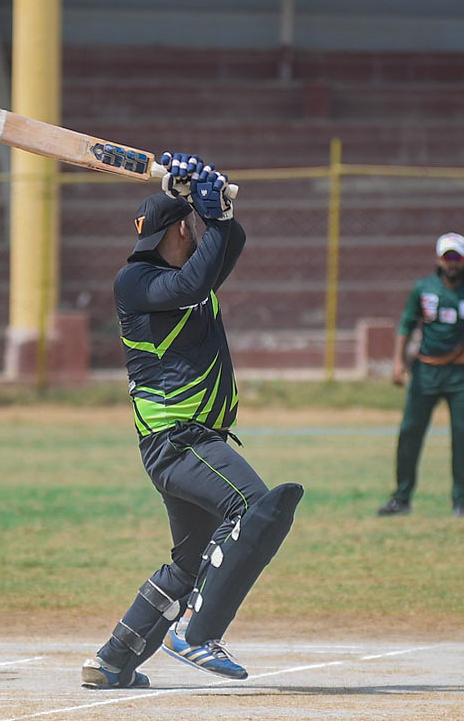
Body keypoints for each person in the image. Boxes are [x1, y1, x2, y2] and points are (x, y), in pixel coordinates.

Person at [81, 154, 303, 689]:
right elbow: (193, 283)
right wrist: (212, 218)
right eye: (192, 225)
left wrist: (218, 211)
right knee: (254, 506)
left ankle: (113, 660)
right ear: (181, 230)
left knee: (191, 562)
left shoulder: (183, 278)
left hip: (187, 443)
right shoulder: (136, 281)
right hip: (179, 440)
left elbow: (227, 249)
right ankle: (197, 634)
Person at [377, 233, 464, 518]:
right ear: (438, 259)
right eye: (448, 257)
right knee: (410, 432)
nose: (452, 263)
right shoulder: (424, 288)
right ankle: (401, 498)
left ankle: (462, 502)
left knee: (462, 436)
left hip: (463, 375)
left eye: (457, 257)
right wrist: (398, 362)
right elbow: (406, 325)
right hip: (426, 373)